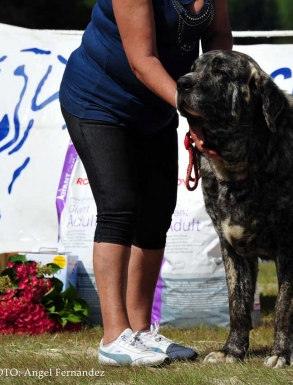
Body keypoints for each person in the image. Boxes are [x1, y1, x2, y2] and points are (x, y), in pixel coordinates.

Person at [59, 0, 232, 367]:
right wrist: (192, 112)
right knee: (120, 206)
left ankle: (140, 332)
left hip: (157, 106)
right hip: (99, 100)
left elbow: (217, 35)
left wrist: (214, 100)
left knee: (156, 213)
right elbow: (142, 59)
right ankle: (113, 337)